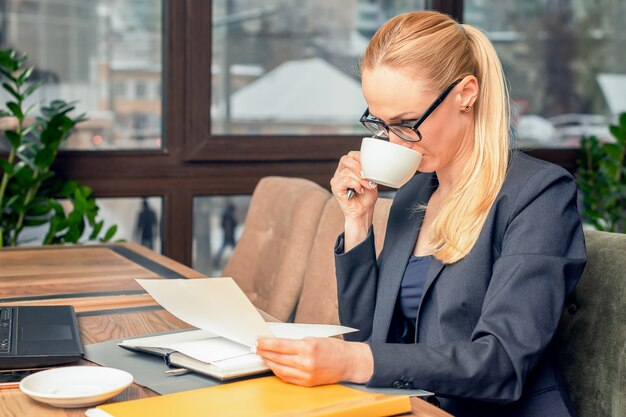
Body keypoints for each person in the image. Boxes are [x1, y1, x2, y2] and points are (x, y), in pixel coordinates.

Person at [255, 10, 586, 417]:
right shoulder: (416, 192)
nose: (394, 142)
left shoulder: (539, 195)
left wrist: (353, 362)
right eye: (380, 123)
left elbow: (500, 363)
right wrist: (358, 222)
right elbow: (372, 339)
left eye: (407, 123)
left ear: (466, 93)